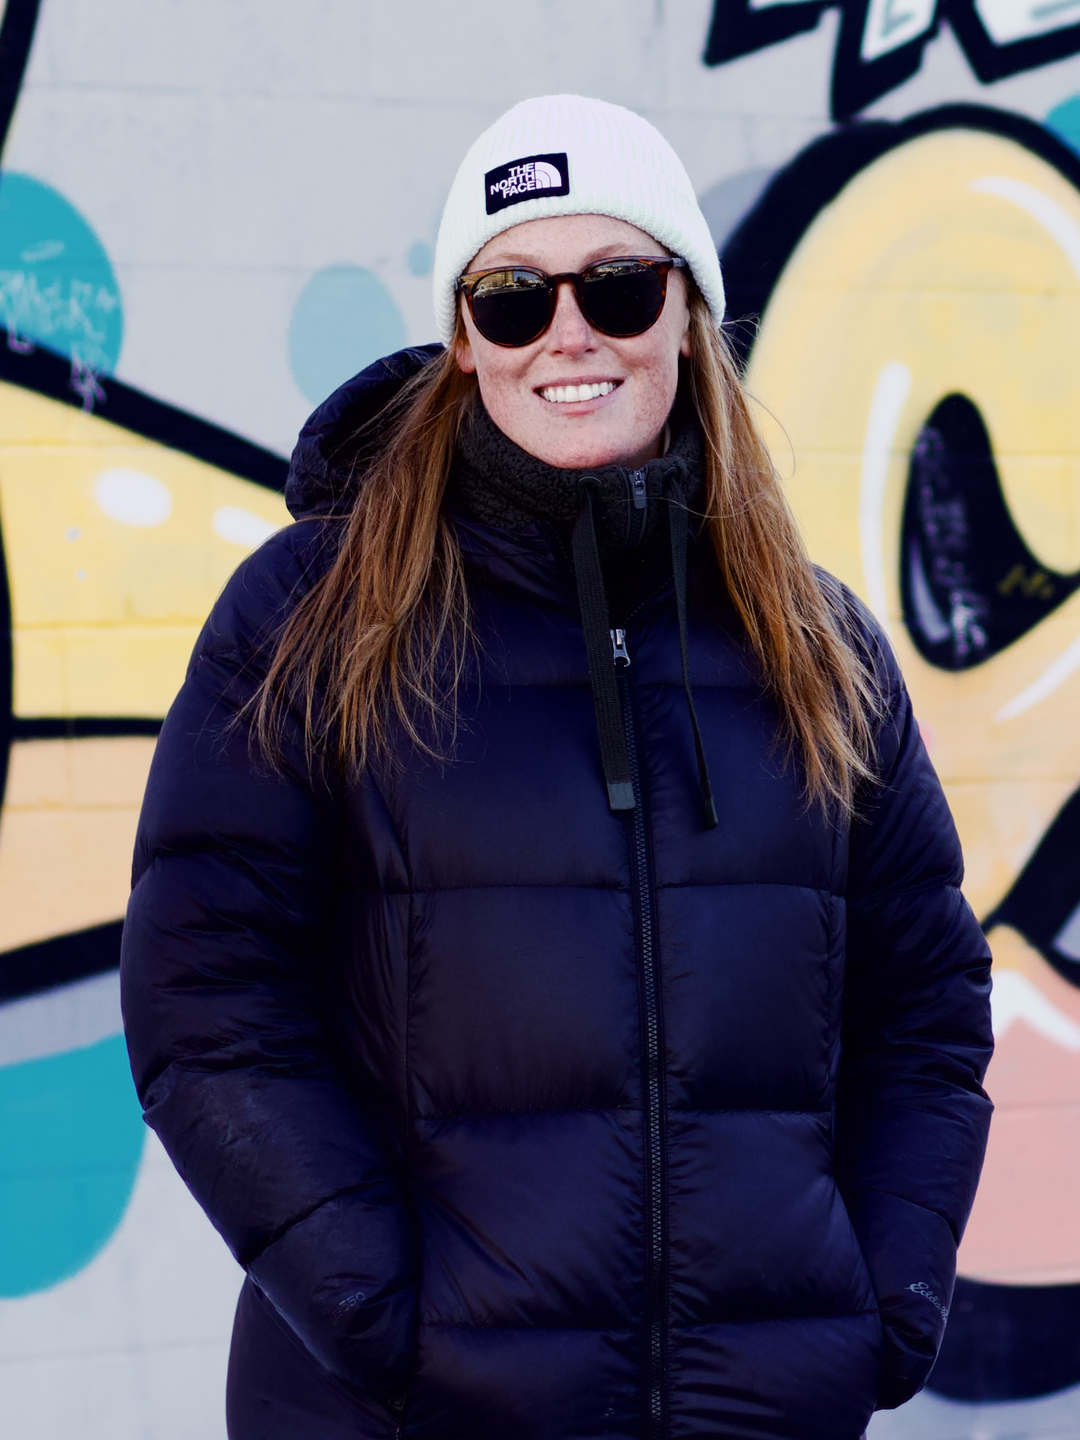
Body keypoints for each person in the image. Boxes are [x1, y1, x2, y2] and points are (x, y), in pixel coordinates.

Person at [120, 95, 993, 1440]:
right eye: (515, 297)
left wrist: (880, 1303)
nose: (568, 334)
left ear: (687, 315)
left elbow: (925, 1007)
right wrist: (381, 1319)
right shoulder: (313, 616)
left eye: (619, 285)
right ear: (466, 337)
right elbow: (203, 999)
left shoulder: (818, 646)